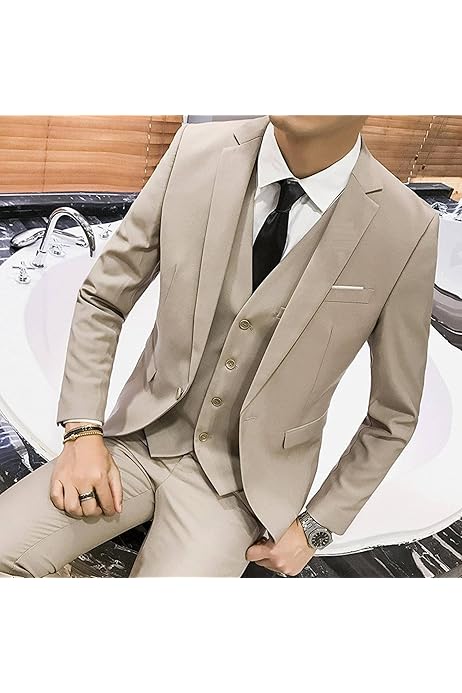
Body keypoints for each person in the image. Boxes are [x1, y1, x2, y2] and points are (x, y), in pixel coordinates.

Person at [0, 115, 439, 577]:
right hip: (139, 438)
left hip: (241, 486)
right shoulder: (195, 151)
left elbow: (394, 416)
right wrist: (82, 431)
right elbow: (103, 297)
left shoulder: (406, 227)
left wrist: (317, 526)